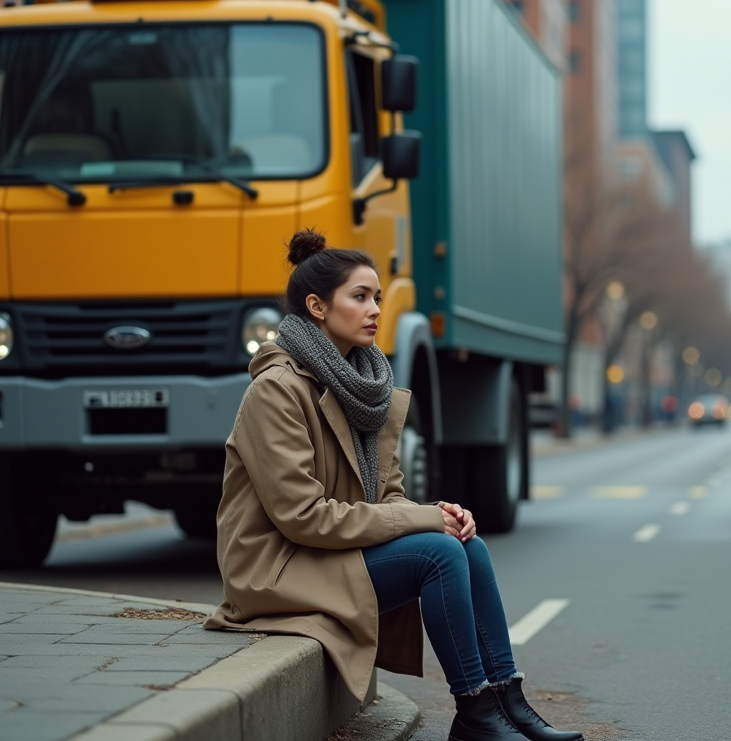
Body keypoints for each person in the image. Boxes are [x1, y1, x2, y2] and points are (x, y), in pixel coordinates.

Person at [205, 230, 582, 741]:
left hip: (324, 555)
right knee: (438, 554)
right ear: (317, 306)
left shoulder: (365, 386)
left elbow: (389, 499)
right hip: (277, 566)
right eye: (359, 297)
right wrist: (424, 520)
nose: (374, 309)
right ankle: (474, 710)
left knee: (466, 546)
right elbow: (304, 517)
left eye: (377, 297)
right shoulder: (276, 391)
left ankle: (505, 700)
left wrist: (440, 513)